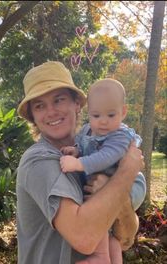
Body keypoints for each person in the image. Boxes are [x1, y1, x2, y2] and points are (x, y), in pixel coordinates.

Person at [16, 61, 146, 264]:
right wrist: (127, 171)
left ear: (77, 103)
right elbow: (84, 238)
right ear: (33, 116)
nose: (51, 111)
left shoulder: (91, 148)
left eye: (58, 100)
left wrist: (116, 194)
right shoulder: (39, 160)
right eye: (40, 105)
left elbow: (126, 238)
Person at [60, 78, 143, 264]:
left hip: (132, 186)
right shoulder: (88, 131)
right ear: (88, 114)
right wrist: (76, 150)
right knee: (105, 224)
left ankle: (100, 257)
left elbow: (105, 157)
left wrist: (78, 164)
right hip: (109, 181)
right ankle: (112, 257)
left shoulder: (120, 136)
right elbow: (86, 146)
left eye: (111, 115)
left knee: (102, 213)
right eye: (96, 116)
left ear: (123, 112)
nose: (103, 122)